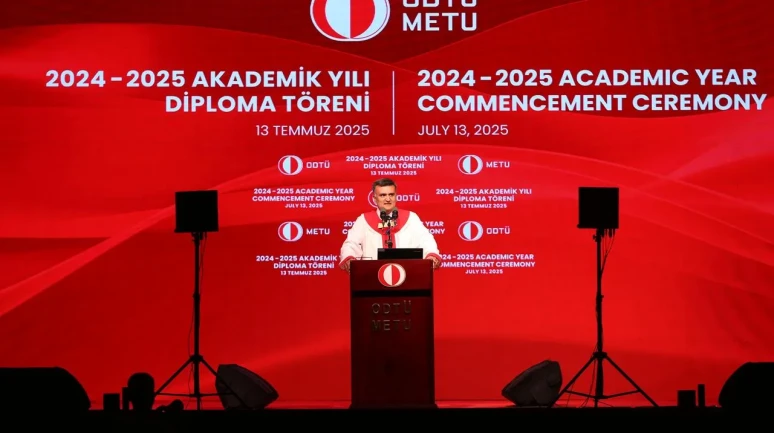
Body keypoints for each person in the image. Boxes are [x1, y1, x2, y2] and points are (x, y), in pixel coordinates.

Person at [339, 178, 442, 272]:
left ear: (396, 197)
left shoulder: (411, 218)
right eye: (383, 195)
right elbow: (351, 244)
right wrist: (349, 258)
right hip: (372, 277)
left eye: (391, 195)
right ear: (374, 198)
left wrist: (431, 255)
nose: (388, 199)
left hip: (408, 275)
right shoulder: (363, 221)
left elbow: (426, 240)